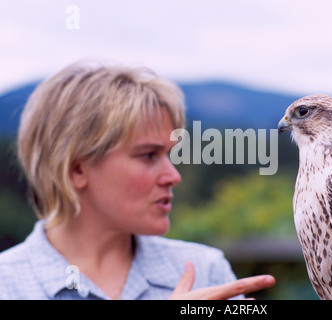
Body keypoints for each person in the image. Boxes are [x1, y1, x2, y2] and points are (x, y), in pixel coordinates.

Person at [0, 61, 275, 299]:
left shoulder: (206, 270)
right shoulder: (8, 286)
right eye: (148, 155)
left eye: (169, 155)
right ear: (76, 170)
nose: (173, 176)